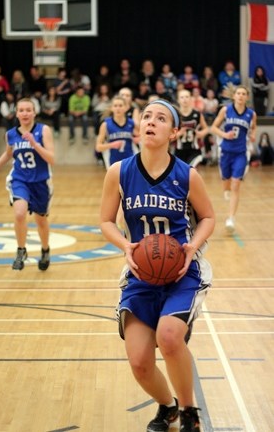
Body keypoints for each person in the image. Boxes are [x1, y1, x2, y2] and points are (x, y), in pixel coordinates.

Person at [99, 98, 215, 432]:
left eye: (161, 118)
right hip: (141, 271)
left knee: (169, 337)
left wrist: (192, 247)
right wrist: (125, 246)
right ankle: (168, 408)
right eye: (147, 116)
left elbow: (208, 216)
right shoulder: (118, 172)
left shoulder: (187, 175)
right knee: (139, 361)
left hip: (181, 271)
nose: (151, 121)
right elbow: (106, 221)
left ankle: (190, 410)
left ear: (174, 131)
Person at [0, 98, 54, 271]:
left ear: (34, 112)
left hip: (41, 181)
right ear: (17, 113)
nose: (25, 113)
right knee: (20, 213)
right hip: (19, 179)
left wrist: (34, 144)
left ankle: (45, 249)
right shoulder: (11, 134)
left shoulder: (44, 130)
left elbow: (52, 158)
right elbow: (8, 155)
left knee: (41, 220)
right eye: (21, 110)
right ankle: (21, 250)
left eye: (28, 110)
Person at [211, 85, 257, 233]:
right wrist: (224, 135)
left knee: (236, 184)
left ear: (247, 97)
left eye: (244, 94)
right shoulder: (226, 110)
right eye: (238, 93)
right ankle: (226, 188)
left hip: (240, 153)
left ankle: (230, 218)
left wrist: (253, 134)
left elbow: (254, 127)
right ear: (234, 96)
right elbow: (213, 128)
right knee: (226, 183)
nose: (241, 96)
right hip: (226, 151)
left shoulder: (251, 114)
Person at [95, 95, 138, 169]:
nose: (118, 108)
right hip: (113, 162)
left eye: (120, 106)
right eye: (115, 106)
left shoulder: (131, 123)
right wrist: (112, 145)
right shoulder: (106, 124)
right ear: (112, 108)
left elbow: (141, 136)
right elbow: (98, 147)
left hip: (130, 160)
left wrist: (139, 138)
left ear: (126, 108)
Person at [174, 89, 208, 167]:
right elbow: (169, 136)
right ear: (178, 100)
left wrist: (201, 134)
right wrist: (179, 134)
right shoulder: (175, 115)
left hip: (194, 150)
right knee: (181, 176)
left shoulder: (197, 114)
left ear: (191, 99)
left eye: (187, 97)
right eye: (182, 97)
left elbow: (206, 129)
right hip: (179, 150)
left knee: (190, 170)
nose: (184, 99)